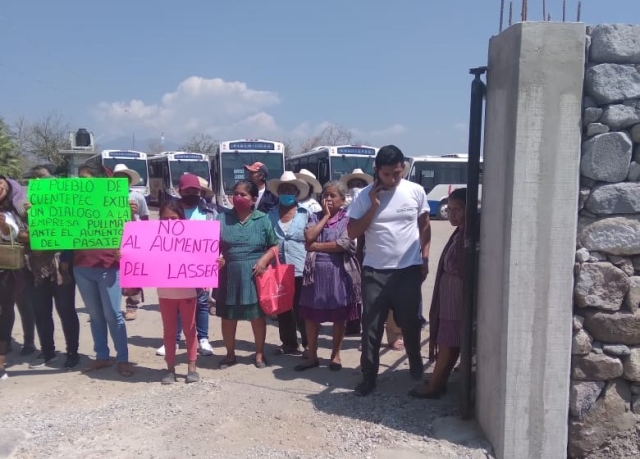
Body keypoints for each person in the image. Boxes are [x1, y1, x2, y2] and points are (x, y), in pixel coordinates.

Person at [347, 145, 431, 396]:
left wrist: (425, 258)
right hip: (375, 271)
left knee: (411, 322)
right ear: (376, 170)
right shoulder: (363, 196)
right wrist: (373, 205)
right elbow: (352, 232)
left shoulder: (415, 191)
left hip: (408, 270)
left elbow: (424, 227)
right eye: (387, 175)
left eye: (397, 173)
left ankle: (415, 362)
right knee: (371, 326)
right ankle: (369, 376)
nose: (393, 179)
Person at [75, 162, 133, 377]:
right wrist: (37, 213)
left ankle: (123, 358)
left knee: (112, 314)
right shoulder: (74, 204)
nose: (82, 183)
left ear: (100, 181)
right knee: (95, 315)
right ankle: (101, 356)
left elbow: (133, 235)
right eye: (79, 179)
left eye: (86, 179)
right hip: (81, 267)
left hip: (109, 266)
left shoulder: (115, 204)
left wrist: (129, 212)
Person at [295, 181, 361, 372]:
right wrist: (324, 216)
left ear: (342, 199)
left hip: (338, 272)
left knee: (339, 316)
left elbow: (343, 244)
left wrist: (316, 246)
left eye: (333, 196)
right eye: (326, 195)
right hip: (314, 273)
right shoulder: (314, 216)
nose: (328, 199)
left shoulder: (347, 220)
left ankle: (335, 355)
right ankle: (312, 356)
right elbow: (308, 237)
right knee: (310, 315)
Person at [216, 180, 279, 369]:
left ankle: (259, 354)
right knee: (228, 317)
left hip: (255, 275)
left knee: (257, 317)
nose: (237, 197)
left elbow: (274, 245)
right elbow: (211, 247)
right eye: (235, 193)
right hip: (229, 274)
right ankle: (229, 354)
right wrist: (217, 259)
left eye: (243, 194)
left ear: (253, 199)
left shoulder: (263, 219)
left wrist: (263, 260)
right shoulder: (221, 218)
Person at [410, 188, 466, 399]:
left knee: (448, 342)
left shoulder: (468, 236)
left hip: (456, 299)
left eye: (458, 209)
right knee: (448, 339)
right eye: (449, 209)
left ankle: (435, 385)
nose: (452, 214)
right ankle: (438, 380)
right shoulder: (460, 232)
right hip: (450, 295)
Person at [156, 174, 217, 357]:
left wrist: (211, 265)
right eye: (187, 190)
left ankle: (203, 339)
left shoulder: (210, 211)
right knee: (175, 303)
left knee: (202, 302)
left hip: (199, 264)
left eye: (195, 190)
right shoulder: (172, 210)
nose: (191, 193)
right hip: (173, 264)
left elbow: (214, 238)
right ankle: (173, 341)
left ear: (200, 192)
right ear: (180, 191)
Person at [25, 168, 80, 370]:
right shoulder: (28, 209)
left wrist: (66, 256)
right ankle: (48, 351)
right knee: (41, 311)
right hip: (37, 267)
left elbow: (74, 233)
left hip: (61, 266)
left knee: (66, 311)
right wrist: (30, 216)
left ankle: (72, 352)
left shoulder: (67, 207)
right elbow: (20, 234)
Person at [157, 201, 201, 384]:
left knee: (190, 330)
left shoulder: (192, 238)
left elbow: (204, 257)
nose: (169, 223)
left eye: (173, 219)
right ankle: (170, 369)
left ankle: (192, 367)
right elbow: (139, 255)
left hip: (187, 292)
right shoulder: (153, 239)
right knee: (169, 331)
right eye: (165, 219)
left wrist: (217, 263)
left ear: (182, 219)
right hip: (165, 293)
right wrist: (124, 256)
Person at [267, 172, 310, 356]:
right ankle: (289, 343)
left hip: (301, 268)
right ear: (278, 192)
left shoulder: (306, 214)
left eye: (290, 189)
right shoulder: (269, 215)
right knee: (283, 308)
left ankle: (309, 344)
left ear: (296, 192)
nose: (286, 192)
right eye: (283, 189)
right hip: (279, 269)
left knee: (302, 309)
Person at [112, 164, 149, 321]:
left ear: (128, 181)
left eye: (124, 179)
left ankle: (132, 306)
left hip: (132, 240)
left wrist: (133, 215)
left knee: (132, 274)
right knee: (112, 274)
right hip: (112, 239)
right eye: (118, 178)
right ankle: (111, 307)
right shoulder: (105, 198)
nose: (121, 181)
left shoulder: (137, 197)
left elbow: (145, 220)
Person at [0, 175, 28, 379]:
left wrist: (4, 227)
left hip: (6, 271)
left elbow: (15, 233)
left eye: (1, 185)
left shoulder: (12, 212)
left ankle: (1, 358)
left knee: (4, 311)